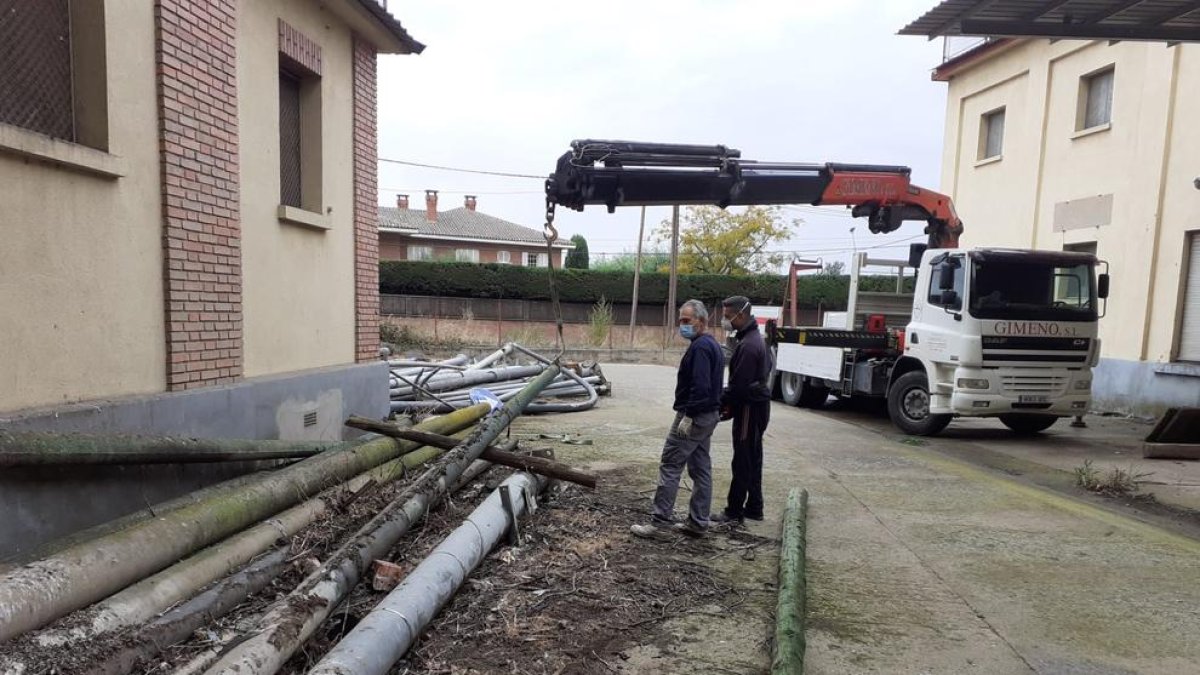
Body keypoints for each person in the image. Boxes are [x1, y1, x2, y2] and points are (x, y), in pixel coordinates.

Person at [631, 299, 725, 539]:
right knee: (700, 467)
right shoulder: (711, 344)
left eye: (686, 321)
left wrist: (689, 416)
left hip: (694, 416)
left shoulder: (701, 347)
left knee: (671, 465)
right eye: (680, 321)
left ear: (701, 321)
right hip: (708, 417)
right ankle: (698, 521)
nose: (682, 325)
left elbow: (701, 386)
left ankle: (659, 522)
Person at [712, 296, 772, 525]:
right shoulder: (754, 339)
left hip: (749, 409)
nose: (725, 321)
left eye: (728, 317)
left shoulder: (748, 345)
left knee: (743, 459)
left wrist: (720, 401)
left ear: (741, 315)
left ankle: (733, 511)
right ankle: (755, 506)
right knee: (754, 457)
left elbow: (739, 388)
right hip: (757, 407)